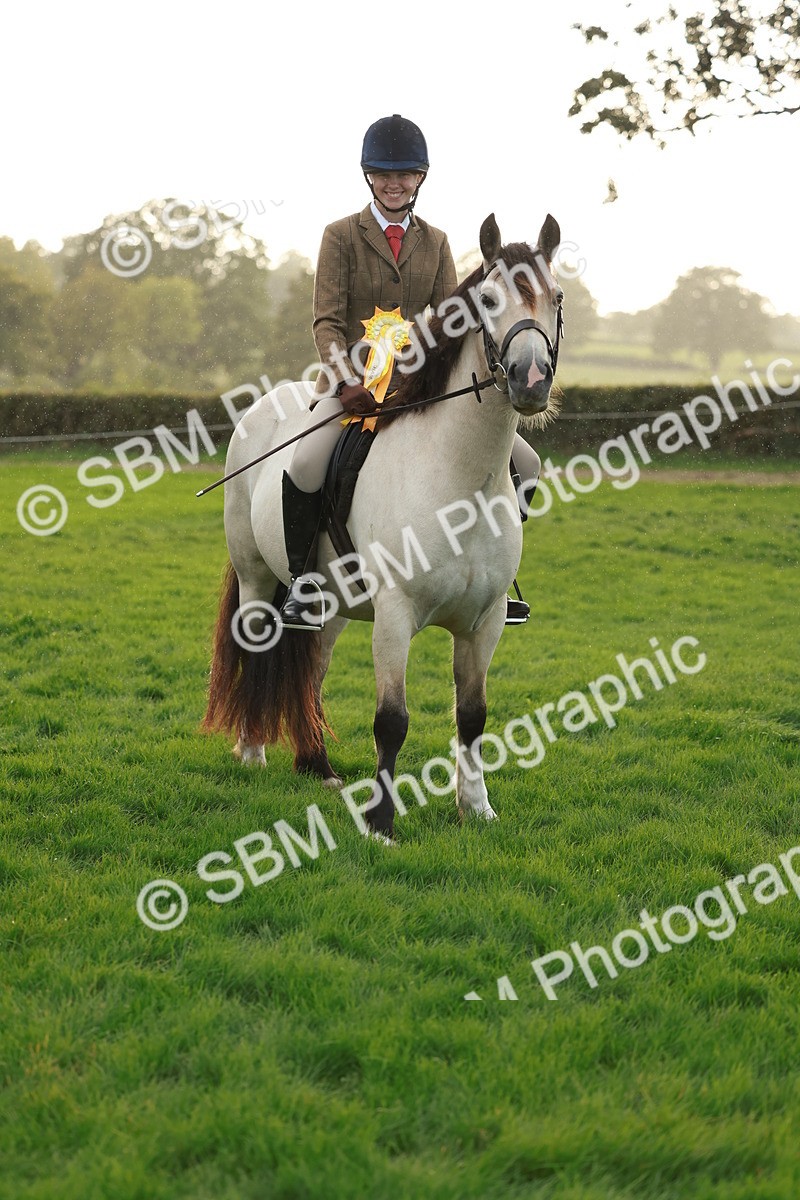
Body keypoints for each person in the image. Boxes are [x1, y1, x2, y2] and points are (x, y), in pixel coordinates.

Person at [279, 113, 540, 630]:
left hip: (417, 388)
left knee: (527, 465)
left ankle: (494, 575)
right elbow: (327, 322)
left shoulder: (437, 241)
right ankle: (302, 580)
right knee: (306, 463)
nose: (394, 184)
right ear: (368, 177)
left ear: (420, 178)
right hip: (353, 388)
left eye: (404, 175)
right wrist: (346, 382)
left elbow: (447, 323)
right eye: (383, 174)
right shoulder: (340, 236)